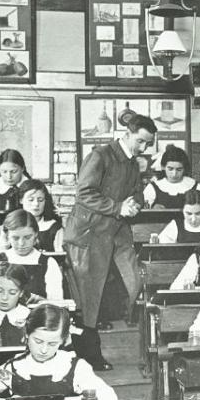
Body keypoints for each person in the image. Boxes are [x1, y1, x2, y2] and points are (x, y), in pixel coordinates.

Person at [64, 113, 154, 370]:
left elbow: (136, 193)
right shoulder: (101, 155)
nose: (143, 148)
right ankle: (88, 357)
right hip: (88, 235)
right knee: (88, 299)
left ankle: (135, 346)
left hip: (116, 233)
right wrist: (117, 207)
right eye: (140, 141)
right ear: (127, 134)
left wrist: (135, 204)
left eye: (148, 144)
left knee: (135, 281)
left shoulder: (134, 164)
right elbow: (83, 193)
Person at [0, 210, 64, 303]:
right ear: (7, 236)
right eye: (15, 238)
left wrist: (42, 302)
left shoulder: (48, 263)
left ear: (35, 235)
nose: (21, 243)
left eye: (27, 237)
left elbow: (57, 301)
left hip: (36, 317)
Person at [0, 179, 64, 253]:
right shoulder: (11, 224)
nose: (36, 204)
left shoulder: (54, 227)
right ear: (21, 200)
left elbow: (60, 256)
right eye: (31, 200)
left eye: (40, 200)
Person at [142, 145, 200, 209]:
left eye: (179, 169)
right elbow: (145, 210)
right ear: (163, 167)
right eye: (170, 169)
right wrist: (153, 207)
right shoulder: (153, 187)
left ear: (184, 168)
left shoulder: (195, 186)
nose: (174, 174)